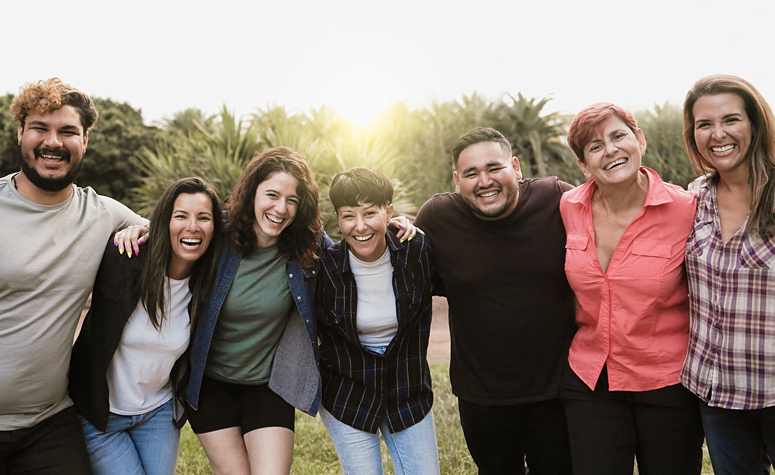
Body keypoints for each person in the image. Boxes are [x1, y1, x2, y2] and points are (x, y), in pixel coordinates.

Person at [184, 147, 416, 475]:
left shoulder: (307, 244)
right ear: (252, 192)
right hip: (209, 385)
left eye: (292, 200)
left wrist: (393, 226)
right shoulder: (217, 235)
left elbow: (355, 243)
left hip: (268, 384)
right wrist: (138, 228)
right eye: (272, 195)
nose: (281, 208)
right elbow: (175, 233)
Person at [0, 78, 147, 473]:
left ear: (85, 140)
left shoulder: (104, 214)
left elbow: (187, 235)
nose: (53, 141)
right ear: (20, 133)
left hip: (47, 423)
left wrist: (142, 232)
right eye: (40, 128)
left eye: (67, 131)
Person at [414, 127, 576, 475]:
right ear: (457, 181)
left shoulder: (559, 200)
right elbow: (410, 280)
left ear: (516, 167)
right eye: (471, 173)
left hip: (559, 390)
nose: (484, 181)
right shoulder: (438, 219)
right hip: (481, 396)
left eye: (494, 168)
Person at [559, 103, 704, 475]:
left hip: (666, 382)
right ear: (582, 164)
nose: (609, 150)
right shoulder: (569, 206)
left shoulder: (687, 208)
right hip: (591, 379)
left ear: (639, 140)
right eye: (594, 146)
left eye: (618, 135)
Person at [68, 177, 223, 475]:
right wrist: (133, 231)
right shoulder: (124, 259)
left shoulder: (209, 283)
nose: (193, 226)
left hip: (158, 413)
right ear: (164, 221)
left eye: (204, 218)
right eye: (181, 216)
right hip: (100, 416)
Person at [316, 167, 439, 475]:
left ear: (389, 212)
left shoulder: (417, 252)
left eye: (370, 213)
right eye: (348, 216)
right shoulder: (325, 270)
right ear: (337, 219)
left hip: (407, 388)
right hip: (348, 393)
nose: (360, 226)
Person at [680, 74, 775, 475]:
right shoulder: (695, 196)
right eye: (704, 124)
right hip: (715, 393)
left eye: (731, 119)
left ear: (754, 123)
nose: (718, 134)